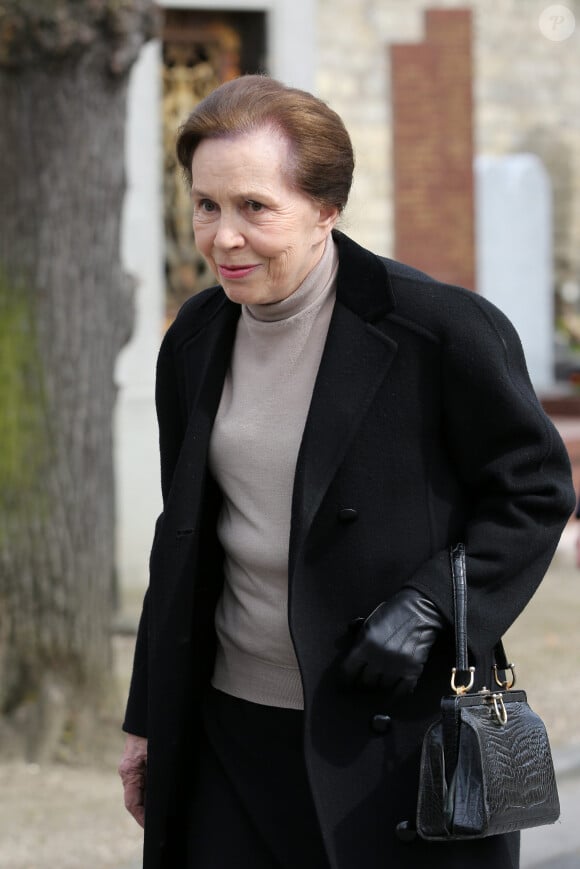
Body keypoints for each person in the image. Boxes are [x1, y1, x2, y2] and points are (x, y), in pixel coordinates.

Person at [118, 74, 575, 869]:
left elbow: (535, 491)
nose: (224, 237)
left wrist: (433, 603)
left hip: (393, 741)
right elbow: (181, 537)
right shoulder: (193, 336)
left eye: (255, 207)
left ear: (327, 208)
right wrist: (149, 713)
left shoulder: (438, 327)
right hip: (227, 729)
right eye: (207, 205)